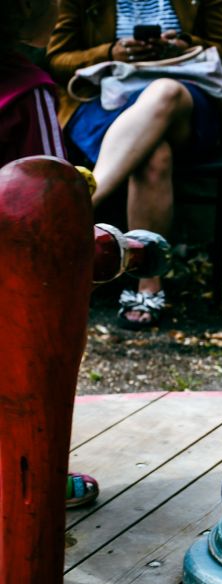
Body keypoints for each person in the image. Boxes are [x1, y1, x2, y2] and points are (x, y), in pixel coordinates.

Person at [45, 0, 222, 329]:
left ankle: (82, 203)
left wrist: (184, 45)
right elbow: (57, 60)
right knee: (154, 154)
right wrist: (111, 53)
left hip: (184, 103)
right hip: (104, 101)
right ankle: (148, 280)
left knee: (164, 92)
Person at [0, 0, 99, 509]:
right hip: (13, 275)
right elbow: (49, 191)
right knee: (31, 376)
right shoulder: (28, 88)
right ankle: (37, 477)